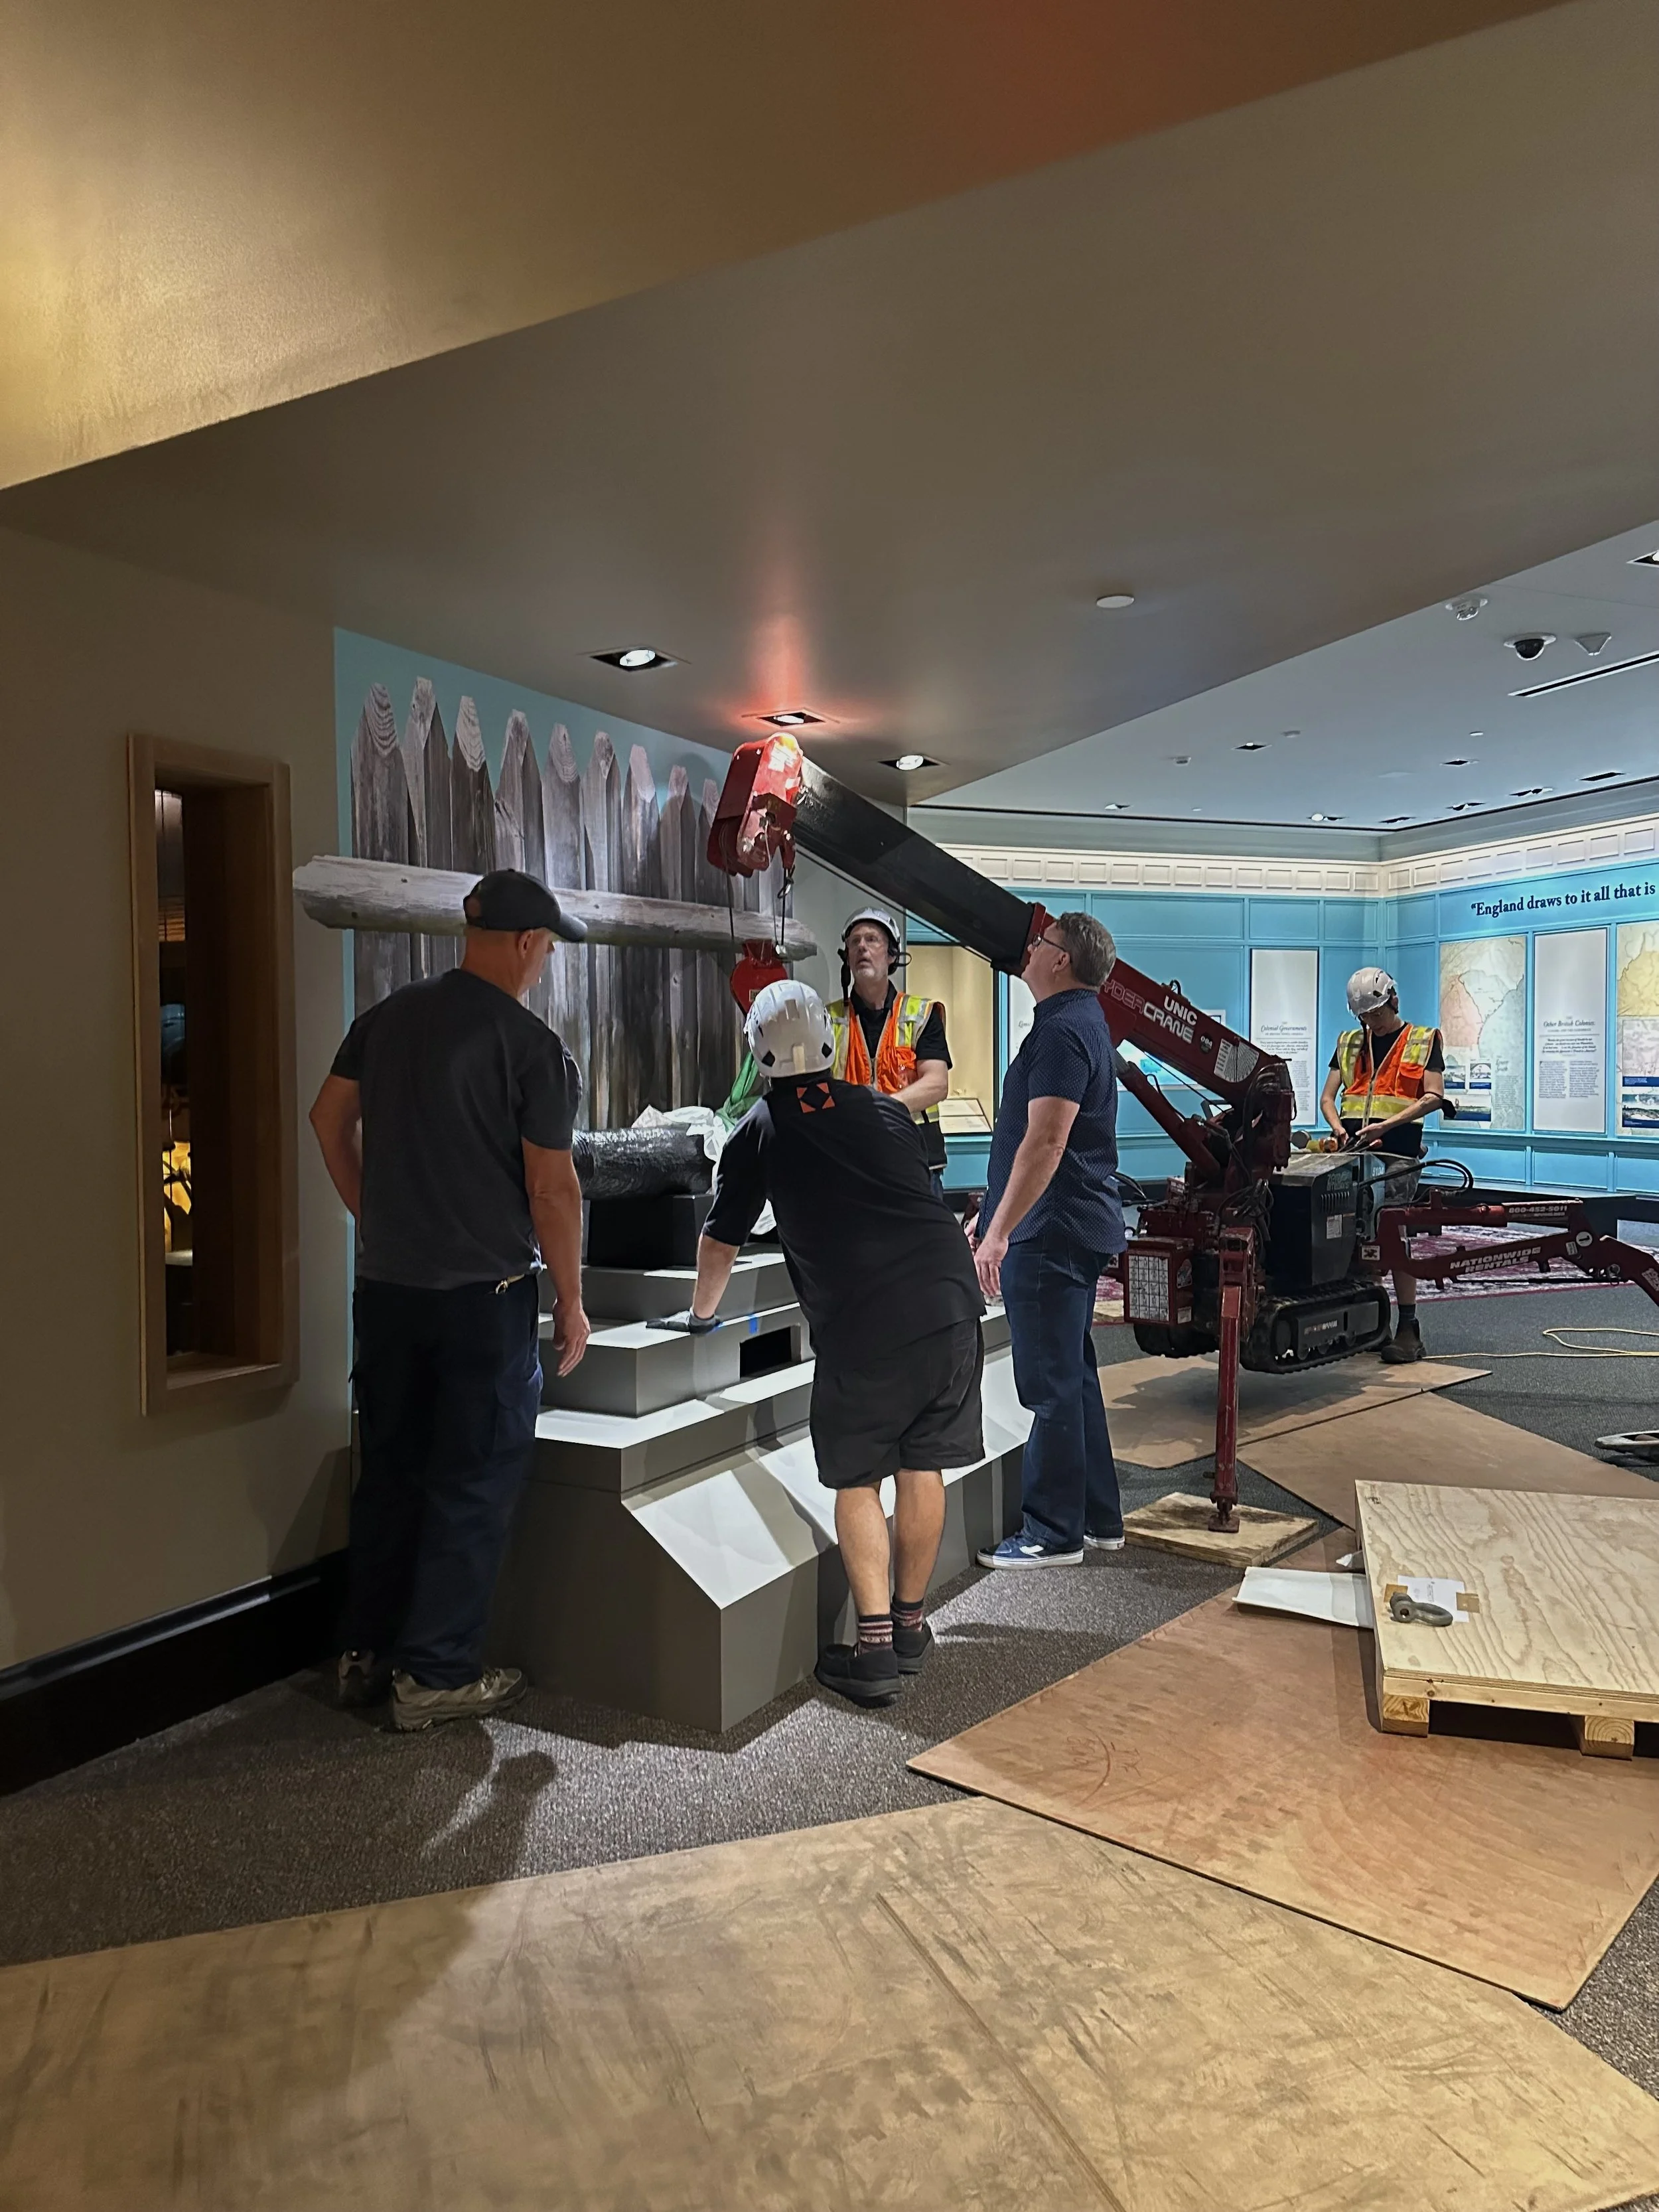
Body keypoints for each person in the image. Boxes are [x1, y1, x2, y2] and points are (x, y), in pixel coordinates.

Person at [309, 869, 592, 1732]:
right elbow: (552, 1190)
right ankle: (434, 1673)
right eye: (544, 947)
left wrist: (376, 1212)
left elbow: (327, 1120)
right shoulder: (531, 1046)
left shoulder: (387, 1019)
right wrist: (572, 1301)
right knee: (472, 1480)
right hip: (483, 1298)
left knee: (390, 1469)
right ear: (523, 943)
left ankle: (365, 1652)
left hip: (388, 1291)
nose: (543, 961)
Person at [660, 979, 984, 1707]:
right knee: (924, 1461)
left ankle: (872, 1651)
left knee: (858, 1476)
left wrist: (701, 1318)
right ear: (829, 1044)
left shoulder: (759, 1133)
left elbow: (720, 1242)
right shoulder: (882, 1108)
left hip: (868, 1326)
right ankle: (909, 1629)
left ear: (759, 1054)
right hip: (950, 1302)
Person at [971, 911, 1125, 1568]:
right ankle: (1097, 1517)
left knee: (1050, 1384)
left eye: (1041, 943)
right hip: (1069, 1225)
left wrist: (997, 1231)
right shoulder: (1079, 1023)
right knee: (1076, 1375)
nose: (1030, 949)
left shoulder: (1064, 1031)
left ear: (1062, 960)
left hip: (1051, 1231)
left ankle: (1052, 1531)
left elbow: (1047, 1140)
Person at [1319, 966, 1445, 1365]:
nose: (1370, 1023)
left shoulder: (1423, 1040)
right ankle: (1369, 1322)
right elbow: (1328, 1098)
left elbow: (1433, 1097)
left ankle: (1408, 1328)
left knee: (1392, 1235)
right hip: (1353, 1154)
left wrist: (1385, 1127)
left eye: (1375, 1014)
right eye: (1363, 1017)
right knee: (1352, 1235)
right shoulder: (1350, 1042)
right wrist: (1340, 1129)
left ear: (1392, 1000)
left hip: (1397, 1157)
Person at [829, 907, 952, 1193]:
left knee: (922, 1240)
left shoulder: (922, 1014)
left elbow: (937, 1084)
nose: (861, 946)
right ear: (846, 957)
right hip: (850, 1160)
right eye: (854, 942)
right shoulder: (826, 1019)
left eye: (872, 940)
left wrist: (876, 1110)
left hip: (914, 1159)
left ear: (892, 955)